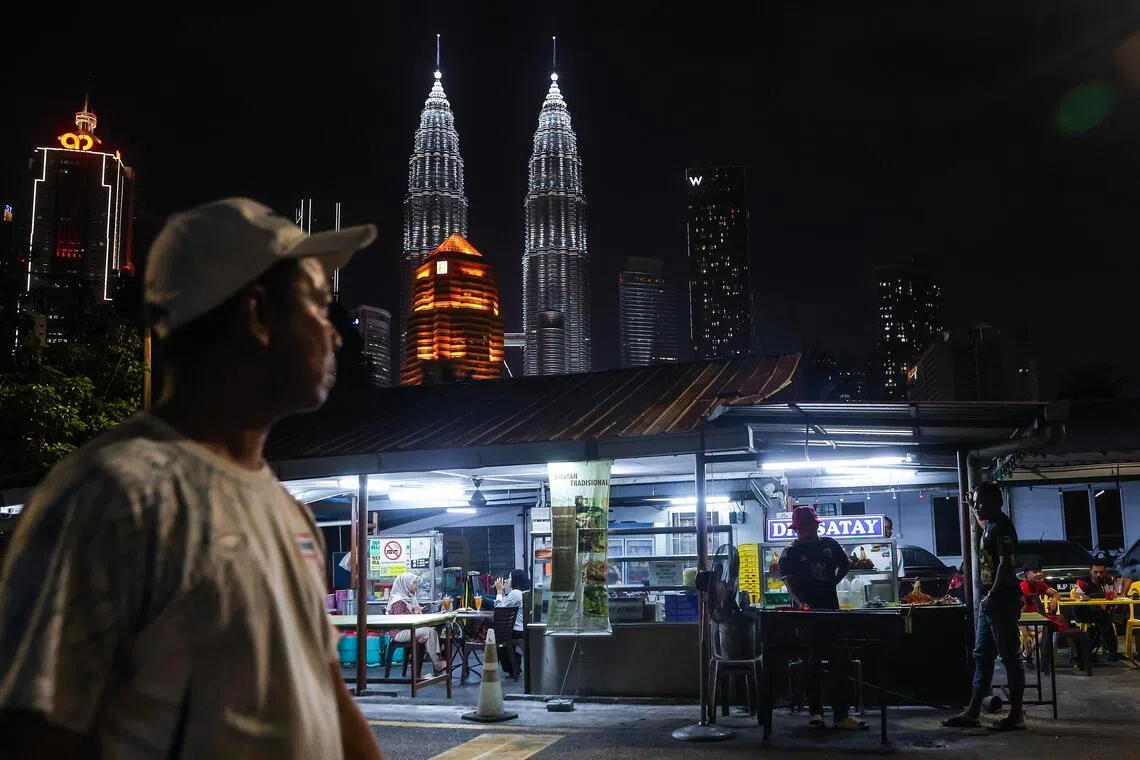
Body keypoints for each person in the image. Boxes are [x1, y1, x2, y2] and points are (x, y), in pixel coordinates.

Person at [0, 198, 383, 759]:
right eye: (319, 306)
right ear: (257, 314)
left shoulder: (287, 512)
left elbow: (324, 692)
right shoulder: (115, 497)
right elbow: (34, 734)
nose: (337, 335)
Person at [943, 483, 1025, 731]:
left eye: (980, 502)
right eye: (976, 502)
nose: (977, 506)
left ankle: (1016, 715)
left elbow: (1006, 565)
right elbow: (981, 524)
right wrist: (971, 507)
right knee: (982, 656)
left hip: (1001, 601)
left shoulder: (1003, 526)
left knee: (1010, 658)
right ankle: (972, 711)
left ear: (995, 502)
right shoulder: (989, 524)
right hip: (990, 602)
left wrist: (992, 596)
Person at [778, 506, 866, 731]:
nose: (806, 530)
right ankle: (815, 713)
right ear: (796, 529)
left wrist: (833, 583)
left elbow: (845, 564)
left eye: (810, 526)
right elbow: (790, 585)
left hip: (831, 613)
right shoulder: (790, 553)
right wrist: (802, 604)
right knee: (811, 663)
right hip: (806, 618)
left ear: (816, 525)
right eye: (802, 527)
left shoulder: (830, 545)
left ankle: (842, 715)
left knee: (840, 662)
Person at [1020, 564, 1088, 673]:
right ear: (1027, 574)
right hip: (1027, 620)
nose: (1038, 574)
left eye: (1039, 571)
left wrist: (1054, 600)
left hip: (1039, 618)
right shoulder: (1023, 588)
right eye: (1035, 572)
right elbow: (1019, 614)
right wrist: (1025, 635)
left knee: (1061, 622)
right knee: (1050, 627)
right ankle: (1044, 658)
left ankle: (1072, 656)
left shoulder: (1040, 584)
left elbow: (1056, 594)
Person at [386, 574, 447, 675]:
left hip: (411, 629)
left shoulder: (410, 598)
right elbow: (402, 621)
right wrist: (415, 612)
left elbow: (417, 614)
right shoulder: (398, 601)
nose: (416, 586)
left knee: (436, 630)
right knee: (429, 632)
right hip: (400, 632)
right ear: (405, 584)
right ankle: (437, 664)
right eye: (414, 583)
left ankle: (438, 661)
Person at [1071, 553, 1121, 660]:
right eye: (1096, 572)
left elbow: (1115, 593)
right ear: (1090, 571)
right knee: (1105, 619)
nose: (1098, 575)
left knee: (1105, 619)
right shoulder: (1083, 581)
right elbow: (1075, 594)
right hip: (1082, 612)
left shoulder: (1107, 581)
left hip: (1100, 612)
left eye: (1101, 572)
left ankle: (1089, 651)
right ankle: (1111, 651)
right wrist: (1084, 595)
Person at [494, 569, 530, 677]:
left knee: (498, 637)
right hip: (522, 629)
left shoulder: (515, 593)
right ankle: (514, 665)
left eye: (510, 578)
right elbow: (506, 605)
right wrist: (502, 592)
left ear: (516, 580)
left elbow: (499, 609)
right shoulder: (522, 592)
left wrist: (499, 592)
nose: (507, 580)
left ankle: (512, 667)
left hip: (516, 630)